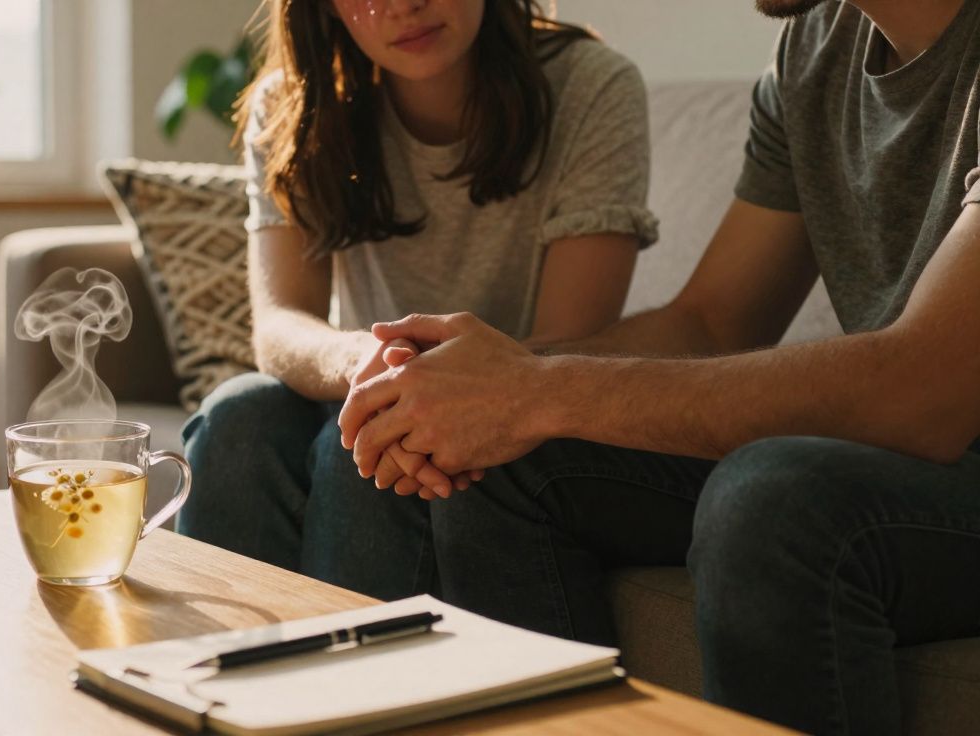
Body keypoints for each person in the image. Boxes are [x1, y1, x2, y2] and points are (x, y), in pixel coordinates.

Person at [338, 0, 980, 732]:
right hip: (910, 460)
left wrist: (538, 390)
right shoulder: (817, 44)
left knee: (773, 501)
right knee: (507, 461)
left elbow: (925, 395)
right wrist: (481, 381)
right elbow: (713, 321)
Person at [177, 0, 657, 601]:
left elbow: (573, 339)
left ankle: (358, 688)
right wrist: (364, 363)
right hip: (361, 383)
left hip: (514, 408)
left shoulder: (589, 86)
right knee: (236, 419)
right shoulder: (292, 103)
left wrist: (424, 391)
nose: (405, 4)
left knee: (363, 450)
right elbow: (278, 324)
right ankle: (215, 680)